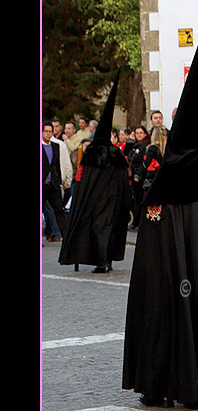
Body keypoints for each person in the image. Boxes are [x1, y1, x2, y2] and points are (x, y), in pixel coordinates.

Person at [122, 13, 198, 408]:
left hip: (169, 276)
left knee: (163, 311)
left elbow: (152, 229)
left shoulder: (170, 173)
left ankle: (161, 382)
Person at [59, 72, 131, 274]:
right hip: (111, 200)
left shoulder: (93, 153)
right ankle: (104, 260)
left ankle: (103, 261)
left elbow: (83, 180)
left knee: (99, 228)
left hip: (96, 200)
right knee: (106, 228)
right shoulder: (115, 154)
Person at [42, 122, 68, 239]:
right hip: (42, 183)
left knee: (59, 211)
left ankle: (66, 237)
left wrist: (60, 180)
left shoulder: (56, 146)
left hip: (53, 184)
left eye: (50, 132)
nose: (48, 134)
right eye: (46, 131)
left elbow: (56, 165)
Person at [129, 125, 151, 230]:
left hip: (141, 176)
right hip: (133, 175)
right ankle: (136, 221)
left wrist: (139, 173)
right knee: (136, 199)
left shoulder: (146, 146)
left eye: (141, 133)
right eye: (137, 133)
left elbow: (144, 161)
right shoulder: (136, 145)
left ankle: (140, 221)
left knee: (141, 199)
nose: (138, 135)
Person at [136, 125, 168, 196]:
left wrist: (138, 175)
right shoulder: (167, 149)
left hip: (153, 178)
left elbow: (146, 163)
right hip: (165, 179)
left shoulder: (152, 148)